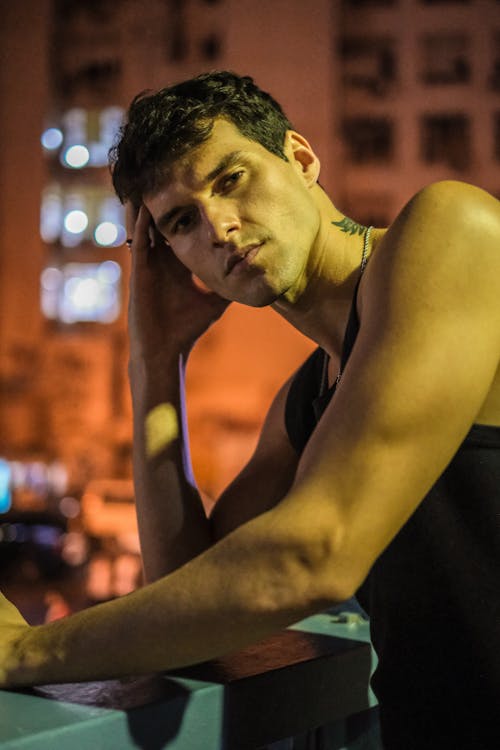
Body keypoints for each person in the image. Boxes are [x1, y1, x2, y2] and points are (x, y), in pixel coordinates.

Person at [1, 72, 499, 749]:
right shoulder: (309, 398)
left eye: (231, 179)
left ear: (299, 157)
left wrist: (25, 652)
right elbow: (189, 596)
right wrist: (153, 362)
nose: (219, 227)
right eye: (181, 221)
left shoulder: (453, 228)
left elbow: (309, 556)